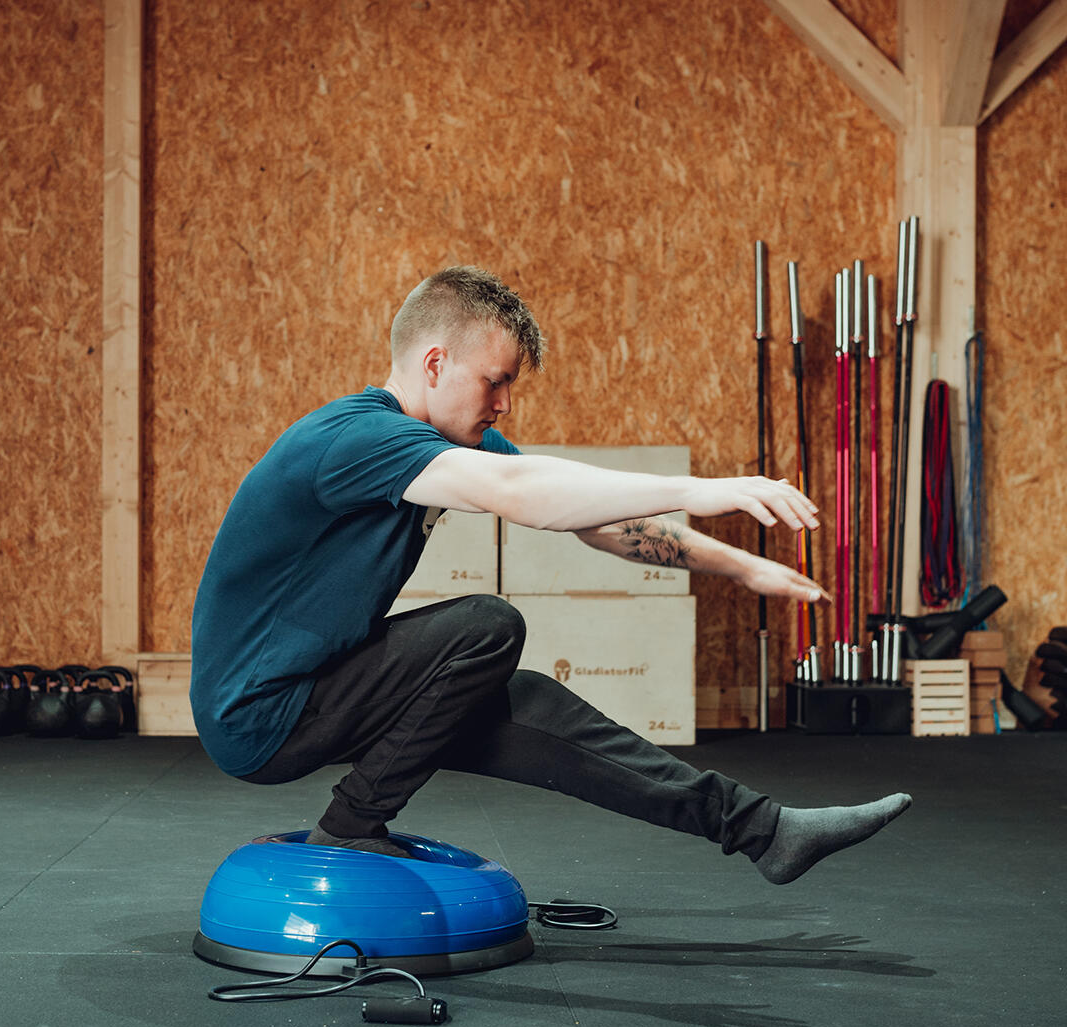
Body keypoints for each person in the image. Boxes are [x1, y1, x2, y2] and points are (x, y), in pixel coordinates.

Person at [190, 265, 910, 880]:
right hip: (260, 714)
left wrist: (743, 567)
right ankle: (351, 823)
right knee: (485, 626)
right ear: (434, 363)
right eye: (494, 382)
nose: (503, 403)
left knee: (527, 703)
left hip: (322, 687)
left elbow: (594, 522)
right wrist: (693, 488)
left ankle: (762, 831)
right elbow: (524, 496)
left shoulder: (430, 441)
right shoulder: (356, 439)